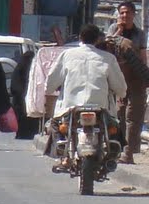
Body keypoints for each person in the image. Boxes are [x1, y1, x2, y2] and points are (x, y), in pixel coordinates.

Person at [44, 23, 127, 167]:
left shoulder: (67, 55)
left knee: (56, 124)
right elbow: (120, 87)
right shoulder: (108, 58)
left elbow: (51, 82)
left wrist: (49, 89)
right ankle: (112, 155)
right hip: (101, 107)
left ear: (80, 37)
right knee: (114, 128)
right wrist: (121, 93)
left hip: (71, 107)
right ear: (98, 39)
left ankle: (64, 156)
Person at [105, 34, 149, 164]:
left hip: (136, 84)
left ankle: (128, 153)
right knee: (120, 116)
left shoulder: (126, 46)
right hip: (121, 83)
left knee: (132, 118)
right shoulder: (107, 50)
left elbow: (140, 67)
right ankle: (119, 150)